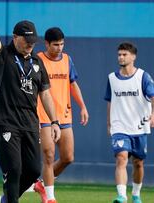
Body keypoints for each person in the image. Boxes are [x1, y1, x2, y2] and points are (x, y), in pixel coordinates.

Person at [0, 8, 61, 203]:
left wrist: (55, 121)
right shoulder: (3, 55)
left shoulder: (38, 62)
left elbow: (45, 94)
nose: (30, 45)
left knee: (32, 170)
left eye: (33, 42)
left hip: (30, 122)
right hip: (6, 121)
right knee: (13, 168)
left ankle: (6, 199)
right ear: (15, 37)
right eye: (26, 41)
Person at [34, 27, 89, 203]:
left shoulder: (67, 60)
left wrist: (82, 106)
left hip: (64, 116)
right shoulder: (38, 60)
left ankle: (43, 184)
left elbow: (72, 84)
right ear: (47, 44)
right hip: (44, 116)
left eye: (62, 44)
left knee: (67, 157)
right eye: (56, 44)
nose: (59, 48)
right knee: (49, 156)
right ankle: (50, 197)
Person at [104, 42, 154, 203]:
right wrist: (109, 124)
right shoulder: (112, 78)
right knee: (121, 158)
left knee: (138, 163)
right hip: (119, 126)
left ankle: (136, 193)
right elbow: (110, 101)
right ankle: (122, 196)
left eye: (124, 54)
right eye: (119, 54)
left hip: (139, 127)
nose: (121, 57)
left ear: (133, 57)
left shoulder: (143, 76)